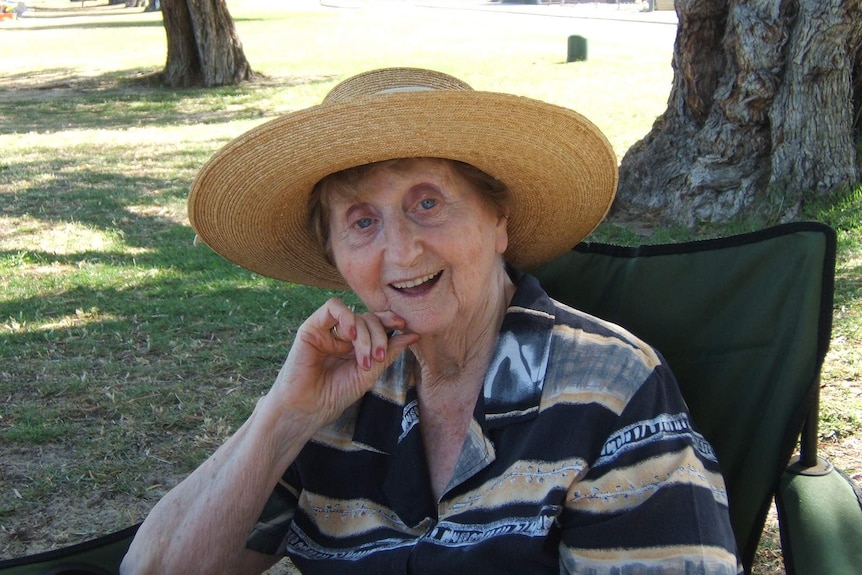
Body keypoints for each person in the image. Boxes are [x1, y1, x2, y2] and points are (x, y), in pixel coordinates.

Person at [121, 67, 742, 575]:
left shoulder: (606, 386)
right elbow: (152, 570)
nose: (402, 251)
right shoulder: (340, 397)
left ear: (499, 222)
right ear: (336, 256)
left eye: (427, 202)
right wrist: (283, 417)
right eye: (362, 222)